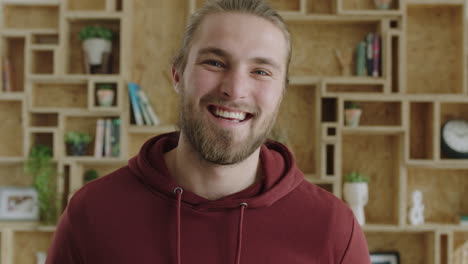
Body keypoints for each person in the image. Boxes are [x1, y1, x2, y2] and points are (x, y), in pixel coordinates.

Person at [46, 0, 371, 263]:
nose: (234, 89)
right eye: (215, 63)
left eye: (260, 71)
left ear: (281, 92)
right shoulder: (92, 213)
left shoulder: (333, 229)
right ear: (177, 75)